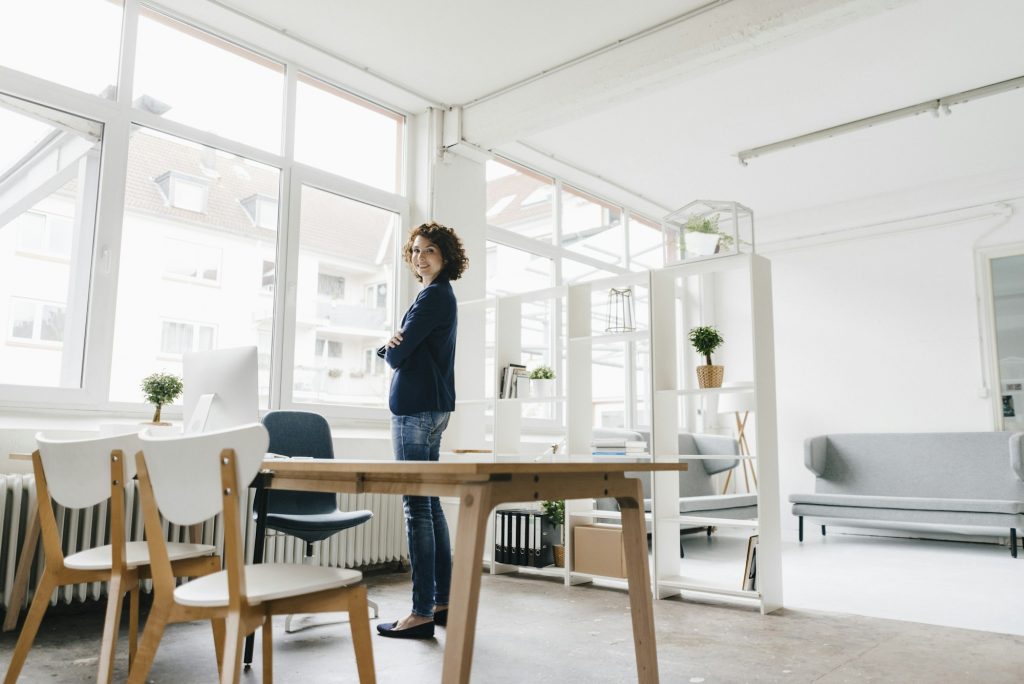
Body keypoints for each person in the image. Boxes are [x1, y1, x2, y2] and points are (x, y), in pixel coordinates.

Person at [376, 221, 468, 640]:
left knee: (417, 507)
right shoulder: (436, 295)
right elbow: (402, 346)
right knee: (429, 505)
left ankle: (419, 612)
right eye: (415, 250)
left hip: (416, 409)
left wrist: (391, 345)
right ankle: (443, 601)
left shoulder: (433, 297)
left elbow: (398, 356)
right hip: (432, 406)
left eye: (429, 249)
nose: (420, 256)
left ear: (445, 256)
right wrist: (393, 343)